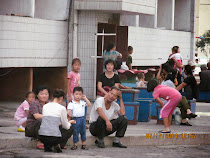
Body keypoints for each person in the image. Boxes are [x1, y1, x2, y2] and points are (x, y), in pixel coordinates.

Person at [25, 85, 50, 149]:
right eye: (42, 94)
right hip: (32, 129)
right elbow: (36, 116)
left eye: (46, 94)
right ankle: (40, 141)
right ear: (37, 95)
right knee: (41, 120)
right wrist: (50, 116)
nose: (44, 96)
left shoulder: (49, 104)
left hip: (45, 128)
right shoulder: (34, 103)